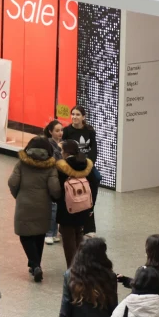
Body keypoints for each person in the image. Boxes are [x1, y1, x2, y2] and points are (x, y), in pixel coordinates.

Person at [10, 136, 61, 282]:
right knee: (39, 234)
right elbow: (55, 188)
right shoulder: (50, 166)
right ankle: (35, 264)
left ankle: (35, 264)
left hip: (24, 204)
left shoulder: (21, 164)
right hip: (43, 205)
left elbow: (12, 182)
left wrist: (18, 196)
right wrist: (53, 198)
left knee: (25, 235)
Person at [53, 139, 98, 268]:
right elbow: (94, 184)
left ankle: (72, 268)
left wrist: (56, 200)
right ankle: (80, 265)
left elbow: (57, 188)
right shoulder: (86, 164)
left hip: (67, 207)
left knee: (67, 236)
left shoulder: (62, 167)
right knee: (79, 233)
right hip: (84, 206)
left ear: (67, 152)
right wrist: (91, 206)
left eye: (61, 150)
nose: (60, 152)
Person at [62, 106, 99, 235]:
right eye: (73, 114)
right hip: (71, 166)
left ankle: (89, 223)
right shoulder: (66, 131)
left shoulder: (89, 131)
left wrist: (89, 164)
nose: (74, 117)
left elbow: (93, 149)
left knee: (94, 184)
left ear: (84, 117)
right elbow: (64, 151)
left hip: (86, 165)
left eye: (77, 114)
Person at [42, 120, 64, 245]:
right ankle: (49, 233)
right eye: (57, 131)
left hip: (57, 178)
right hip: (51, 178)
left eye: (61, 130)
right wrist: (60, 150)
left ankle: (54, 232)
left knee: (56, 206)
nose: (60, 133)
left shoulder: (58, 144)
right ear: (50, 132)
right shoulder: (49, 144)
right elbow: (55, 160)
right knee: (52, 207)